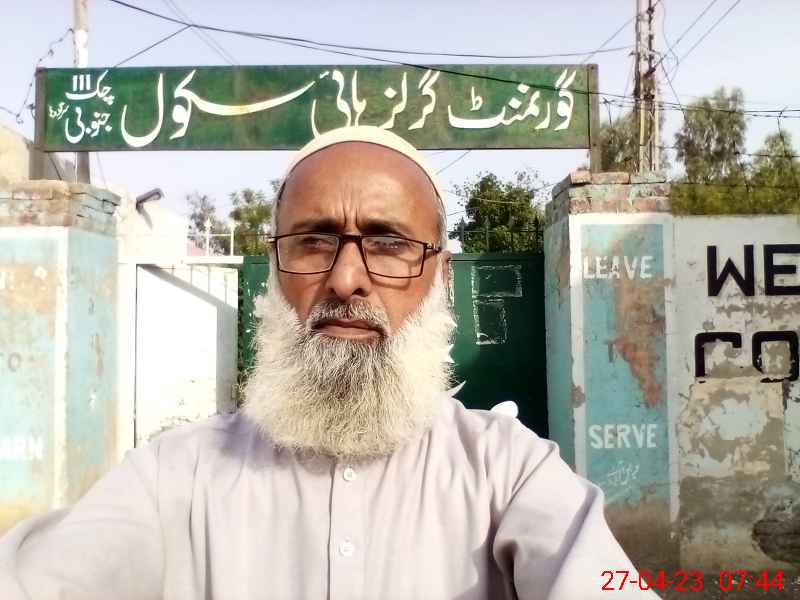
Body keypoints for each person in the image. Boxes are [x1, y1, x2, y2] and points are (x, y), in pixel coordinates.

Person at [0, 126, 659, 599]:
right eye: (314, 241)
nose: (346, 279)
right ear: (273, 270)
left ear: (440, 277)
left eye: (389, 243)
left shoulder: (508, 473)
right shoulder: (174, 476)